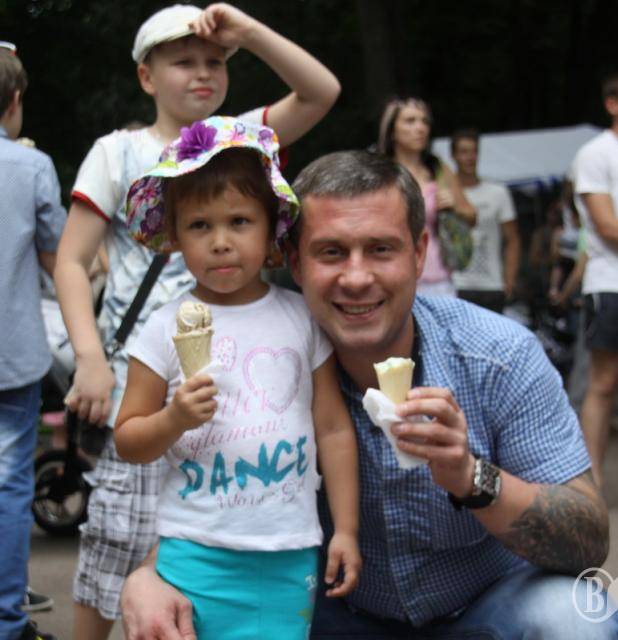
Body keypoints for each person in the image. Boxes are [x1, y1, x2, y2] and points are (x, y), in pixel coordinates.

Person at [121, 150, 618, 640]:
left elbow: (588, 540)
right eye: (331, 252)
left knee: (572, 618)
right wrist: (148, 575)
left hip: (484, 607)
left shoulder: (499, 356)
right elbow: (216, 485)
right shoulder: (271, 349)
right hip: (334, 613)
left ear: (420, 253)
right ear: (295, 261)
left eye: (381, 249)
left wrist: (471, 477)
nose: (357, 278)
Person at [53, 4, 341, 639]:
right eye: (183, 61)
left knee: (198, 561)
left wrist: (249, 32)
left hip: (241, 394)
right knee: (114, 549)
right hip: (143, 376)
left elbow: (321, 91)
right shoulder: (118, 150)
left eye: (215, 61)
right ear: (146, 76)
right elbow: (72, 260)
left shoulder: (241, 142)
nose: (203, 73)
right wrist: (91, 359)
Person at [114, 116, 360, 639]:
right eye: (200, 226)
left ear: (271, 229)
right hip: (191, 553)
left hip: (288, 554)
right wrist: (173, 418)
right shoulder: (161, 327)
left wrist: (346, 529)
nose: (220, 242)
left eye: (240, 221)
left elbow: (334, 430)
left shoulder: (303, 317)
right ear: (175, 235)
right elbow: (128, 440)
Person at [0, 45, 66, 640]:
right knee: (7, 488)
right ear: (14, 101)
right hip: (10, 356)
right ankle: (6, 621)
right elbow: (59, 260)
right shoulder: (30, 166)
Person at [572, 69, 618, 487]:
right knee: (604, 383)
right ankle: (589, 482)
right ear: (613, 104)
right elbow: (607, 225)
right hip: (613, 282)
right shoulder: (596, 153)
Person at [377, 97, 476, 297]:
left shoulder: (437, 169)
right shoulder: (379, 173)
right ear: (391, 131)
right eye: (410, 121)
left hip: (438, 280)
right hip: (391, 277)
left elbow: (472, 216)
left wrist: (454, 207)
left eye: (424, 121)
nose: (420, 128)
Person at [450, 128, 520, 313]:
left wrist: (509, 279)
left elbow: (512, 239)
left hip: (491, 285)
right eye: (464, 152)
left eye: (474, 151)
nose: (469, 157)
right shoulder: (444, 194)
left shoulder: (498, 192)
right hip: (455, 283)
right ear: (454, 156)